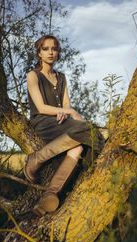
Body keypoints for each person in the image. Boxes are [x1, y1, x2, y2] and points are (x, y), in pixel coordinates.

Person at [24, 34, 103, 217]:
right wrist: (69, 112)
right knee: (88, 128)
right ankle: (36, 159)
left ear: (58, 52)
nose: (50, 52)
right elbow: (41, 107)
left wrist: (65, 111)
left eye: (54, 49)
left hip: (60, 121)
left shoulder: (61, 77)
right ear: (39, 53)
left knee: (79, 145)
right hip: (42, 121)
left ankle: (49, 196)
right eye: (46, 49)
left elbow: (65, 105)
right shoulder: (33, 75)